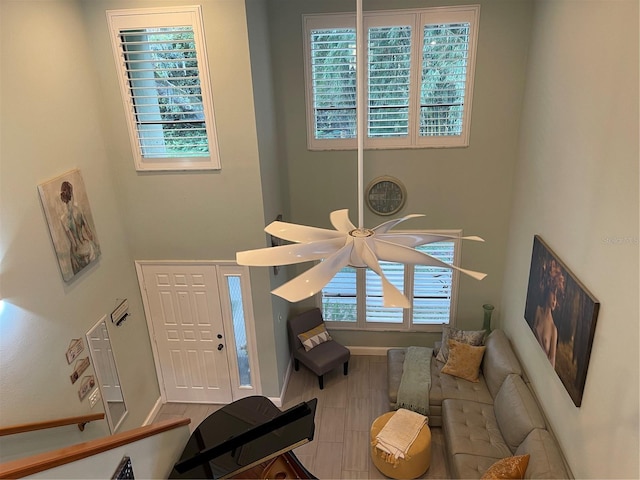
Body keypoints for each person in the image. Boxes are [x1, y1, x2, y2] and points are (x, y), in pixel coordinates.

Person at [59, 181, 98, 275]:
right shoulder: (79, 210)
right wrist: (92, 244)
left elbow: (73, 243)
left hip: (76, 253)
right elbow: (89, 233)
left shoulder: (63, 219)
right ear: (72, 194)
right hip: (87, 247)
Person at [533, 259, 565, 367]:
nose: (554, 300)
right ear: (547, 292)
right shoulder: (538, 311)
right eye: (553, 294)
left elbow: (551, 364)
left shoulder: (553, 330)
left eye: (557, 297)